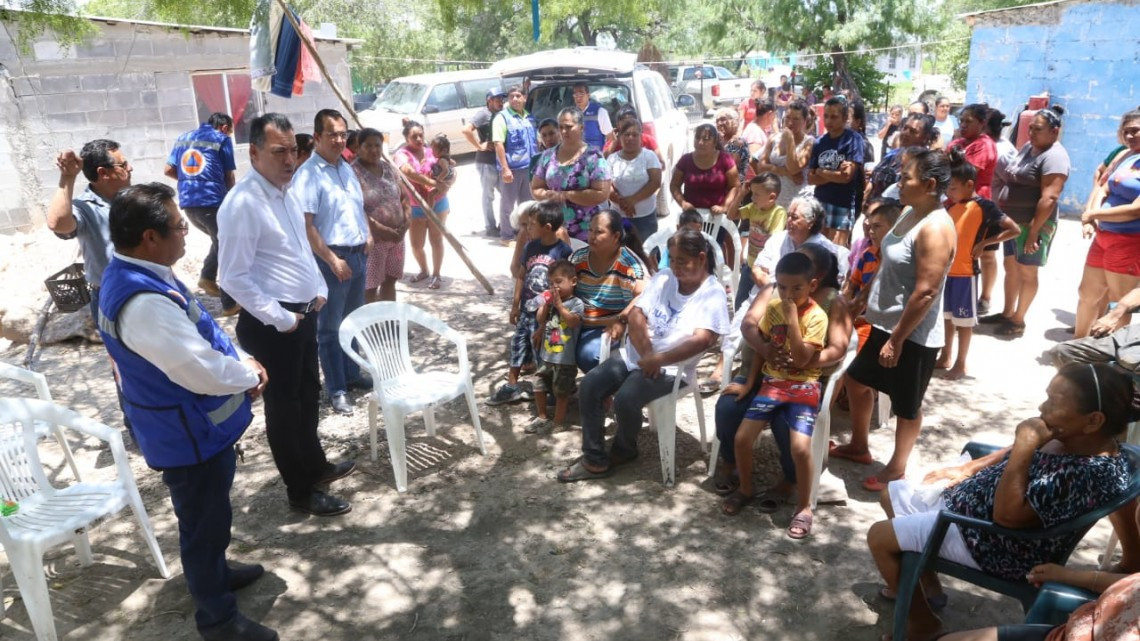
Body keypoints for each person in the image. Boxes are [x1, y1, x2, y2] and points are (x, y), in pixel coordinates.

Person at [98, 183, 275, 641]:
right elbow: (197, 370)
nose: (186, 234)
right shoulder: (143, 302)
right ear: (149, 237)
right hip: (185, 435)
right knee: (201, 522)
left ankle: (216, 570)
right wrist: (249, 374)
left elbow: (202, 326)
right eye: (179, 227)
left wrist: (237, 360)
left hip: (188, 428)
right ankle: (217, 618)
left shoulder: (146, 271)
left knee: (209, 515)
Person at [867, 363, 1137, 641]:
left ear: (1093, 421)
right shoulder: (1072, 436)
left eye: (1054, 402)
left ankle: (923, 625)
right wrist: (969, 468)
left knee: (880, 537)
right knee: (890, 495)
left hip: (995, 543)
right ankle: (927, 582)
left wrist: (1025, 444)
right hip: (970, 508)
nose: (1042, 408)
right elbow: (1014, 451)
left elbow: (1007, 517)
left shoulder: (1088, 474)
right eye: (1047, 396)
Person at [218, 113, 354, 518]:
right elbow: (233, 278)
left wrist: (319, 289)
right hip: (273, 326)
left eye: (293, 150)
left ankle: (315, 466)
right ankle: (300, 490)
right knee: (285, 409)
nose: (290, 159)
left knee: (308, 397)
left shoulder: (287, 191)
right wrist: (281, 318)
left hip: (303, 316)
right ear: (254, 152)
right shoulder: (242, 204)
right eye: (279, 152)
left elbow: (299, 250)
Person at [557, 228, 730, 481]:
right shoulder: (663, 278)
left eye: (682, 260)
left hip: (674, 368)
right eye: (672, 259)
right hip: (639, 355)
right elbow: (636, 314)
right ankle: (593, 458)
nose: (675, 266)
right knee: (590, 385)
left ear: (702, 258)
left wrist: (659, 360)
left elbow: (703, 339)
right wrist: (649, 354)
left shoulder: (712, 293)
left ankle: (625, 448)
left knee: (626, 398)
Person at [829, 149, 957, 492]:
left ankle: (897, 468)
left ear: (929, 185)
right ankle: (859, 445)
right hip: (884, 322)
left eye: (906, 178)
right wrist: (861, 299)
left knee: (907, 404)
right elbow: (886, 260)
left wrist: (896, 340)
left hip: (911, 334)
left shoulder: (936, 228)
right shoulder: (909, 213)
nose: (899, 183)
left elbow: (926, 292)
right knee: (856, 380)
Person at [713, 242, 852, 511]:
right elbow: (752, 326)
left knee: (784, 424)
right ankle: (732, 464)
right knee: (728, 406)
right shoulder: (776, 293)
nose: (788, 287)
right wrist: (763, 352)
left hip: (803, 381)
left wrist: (807, 361)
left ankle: (790, 481)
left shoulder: (829, 304)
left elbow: (838, 348)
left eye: (802, 263)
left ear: (815, 277)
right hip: (766, 375)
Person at [722, 252, 828, 539]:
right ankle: (746, 488)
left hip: (804, 386)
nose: (788, 294)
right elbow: (762, 349)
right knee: (742, 438)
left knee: (801, 449)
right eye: (782, 287)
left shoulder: (817, 316)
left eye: (797, 288)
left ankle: (804, 507)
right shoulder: (772, 309)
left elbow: (804, 358)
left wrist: (793, 320)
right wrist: (749, 384)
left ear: (812, 285)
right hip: (772, 384)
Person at [47, 139, 134, 435]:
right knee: (126, 365)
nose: (129, 167)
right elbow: (58, 222)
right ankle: (137, 426)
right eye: (123, 164)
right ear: (104, 172)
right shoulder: (85, 206)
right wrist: (67, 177)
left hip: (146, 290)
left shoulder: (131, 197)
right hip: (110, 298)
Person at [293, 109, 371, 416]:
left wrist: (367, 234)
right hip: (331, 258)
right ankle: (336, 388)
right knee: (330, 328)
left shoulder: (345, 167)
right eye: (332, 134)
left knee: (353, 321)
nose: (340, 140)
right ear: (317, 137)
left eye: (343, 134)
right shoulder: (309, 174)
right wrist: (332, 259)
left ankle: (352, 374)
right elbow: (306, 225)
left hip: (357, 253)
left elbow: (357, 206)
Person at [981, 105, 1070, 337]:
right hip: (1014, 223)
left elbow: (1049, 197)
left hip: (1034, 225)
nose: (1031, 133)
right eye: (1030, 128)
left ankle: (1019, 320)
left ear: (1054, 131)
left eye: (1038, 129)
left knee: (1027, 272)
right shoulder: (1030, 147)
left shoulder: (1055, 157)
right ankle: (1007, 312)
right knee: (1011, 267)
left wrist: (1034, 232)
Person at [936, 150, 1020, 380]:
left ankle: (961, 363)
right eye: (947, 188)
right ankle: (946, 356)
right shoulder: (949, 206)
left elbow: (1014, 229)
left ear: (969, 184)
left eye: (953, 188)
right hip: (946, 273)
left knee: (964, 322)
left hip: (965, 274)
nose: (948, 193)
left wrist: (986, 243)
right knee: (946, 317)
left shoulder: (984, 206)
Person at [489, 201, 573, 406]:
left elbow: (564, 286)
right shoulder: (530, 247)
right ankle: (511, 386)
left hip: (548, 313)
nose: (527, 229)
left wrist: (545, 309)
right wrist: (515, 305)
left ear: (547, 228)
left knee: (543, 350)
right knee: (518, 344)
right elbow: (520, 275)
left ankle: (549, 390)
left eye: (531, 225)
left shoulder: (563, 251)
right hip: (527, 309)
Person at [1074, 109, 1140, 339]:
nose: (1130, 136)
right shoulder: (1126, 156)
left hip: (1128, 243)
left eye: (1135, 131)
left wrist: (1095, 215)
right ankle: (1077, 346)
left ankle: (1117, 357)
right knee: (1087, 294)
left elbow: (1136, 209)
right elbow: (1102, 186)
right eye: (1126, 132)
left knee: (1119, 302)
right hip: (1102, 238)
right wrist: (1091, 215)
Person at [164, 113, 238, 312]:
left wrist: (190, 182)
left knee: (220, 240)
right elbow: (229, 176)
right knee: (227, 245)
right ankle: (230, 303)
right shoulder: (221, 139)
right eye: (230, 131)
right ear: (223, 128)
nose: (230, 134)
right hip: (212, 201)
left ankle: (207, 277)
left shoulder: (183, 138)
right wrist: (234, 203)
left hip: (189, 203)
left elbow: (168, 170)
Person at [570, 210, 650, 372]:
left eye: (598, 232)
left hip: (605, 325)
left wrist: (621, 320)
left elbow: (644, 295)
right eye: (590, 230)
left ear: (616, 236)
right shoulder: (578, 259)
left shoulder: (629, 264)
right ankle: (561, 391)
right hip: (575, 320)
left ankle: (603, 393)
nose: (591, 236)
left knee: (589, 355)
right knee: (549, 342)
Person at [531, 106, 614, 242]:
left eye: (569, 127)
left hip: (586, 232)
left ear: (581, 127)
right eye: (561, 127)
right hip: (554, 231)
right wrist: (548, 196)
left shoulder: (594, 156)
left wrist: (566, 195)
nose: (564, 131)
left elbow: (601, 193)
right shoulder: (547, 155)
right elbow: (535, 188)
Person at [671, 123, 742, 268]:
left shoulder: (725, 160)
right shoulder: (685, 160)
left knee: (713, 254)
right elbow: (674, 185)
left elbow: (735, 186)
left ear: (715, 142)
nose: (700, 142)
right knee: (690, 254)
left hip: (716, 217)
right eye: (697, 138)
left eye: (706, 139)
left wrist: (724, 207)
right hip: (691, 218)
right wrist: (682, 203)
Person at [527, 259, 584, 434]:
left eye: (558, 282)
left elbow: (573, 322)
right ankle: (542, 415)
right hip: (547, 355)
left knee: (561, 391)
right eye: (551, 283)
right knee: (538, 383)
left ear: (573, 281)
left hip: (564, 359)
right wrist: (545, 304)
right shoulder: (550, 302)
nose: (554, 286)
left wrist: (559, 306)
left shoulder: (576, 303)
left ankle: (558, 422)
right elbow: (539, 319)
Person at [352, 128, 408, 303]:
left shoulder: (388, 168)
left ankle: (390, 322)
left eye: (377, 145)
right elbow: (356, 209)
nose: (374, 150)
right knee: (370, 286)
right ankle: (372, 326)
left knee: (390, 280)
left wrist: (406, 223)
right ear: (358, 148)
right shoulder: (353, 172)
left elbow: (404, 196)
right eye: (368, 146)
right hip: (373, 242)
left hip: (397, 238)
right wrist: (382, 229)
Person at [394, 119, 451, 289]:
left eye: (421, 135)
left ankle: (436, 274)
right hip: (415, 206)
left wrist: (447, 184)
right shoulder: (401, 154)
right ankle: (424, 270)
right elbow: (408, 173)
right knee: (417, 244)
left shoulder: (432, 151)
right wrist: (434, 183)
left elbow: (449, 168)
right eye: (414, 136)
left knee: (436, 239)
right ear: (406, 138)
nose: (419, 139)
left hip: (439, 204)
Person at [808, 96, 865, 247]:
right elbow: (811, 178)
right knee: (816, 246)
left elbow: (846, 177)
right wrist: (833, 174)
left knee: (836, 250)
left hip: (842, 203)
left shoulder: (853, 139)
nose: (828, 121)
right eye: (826, 116)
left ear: (845, 118)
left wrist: (821, 172)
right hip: (820, 200)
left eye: (834, 117)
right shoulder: (819, 142)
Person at [755, 195, 850, 284]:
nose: (788, 221)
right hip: (765, 292)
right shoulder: (777, 238)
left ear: (811, 223)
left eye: (794, 217)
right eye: (788, 216)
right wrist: (771, 290)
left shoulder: (824, 249)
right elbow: (757, 268)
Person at [978, 108, 1016, 315]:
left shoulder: (1002, 151)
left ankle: (985, 297)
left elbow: (1011, 180)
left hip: (990, 209)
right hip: (975, 207)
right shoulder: (979, 145)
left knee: (986, 255)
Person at [493, 85, 539, 242]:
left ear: (525, 98)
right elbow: (498, 144)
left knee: (527, 205)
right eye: (512, 96)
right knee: (507, 205)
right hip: (511, 170)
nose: (515, 99)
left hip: (529, 168)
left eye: (518, 96)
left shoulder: (529, 117)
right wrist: (505, 169)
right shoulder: (502, 118)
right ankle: (506, 236)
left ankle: (525, 235)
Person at [735, 172, 787, 309]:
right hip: (750, 265)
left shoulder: (778, 213)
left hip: (764, 269)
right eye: (752, 194)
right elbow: (731, 215)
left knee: (759, 305)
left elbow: (774, 240)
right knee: (740, 303)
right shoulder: (752, 208)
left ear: (771, 197)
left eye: (756, 194)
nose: (752, 198)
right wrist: (741, 194)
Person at [607, 117, 663, 240]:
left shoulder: (649, 156)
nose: (630, 138)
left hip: (645, 217)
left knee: (647, 253)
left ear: (640, 137)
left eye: (634, 135)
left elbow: (655, 182)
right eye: (626, 134)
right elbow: (606, 186)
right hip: (618, 216)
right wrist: (623, 203)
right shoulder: (611, 159)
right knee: (621, 254)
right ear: (620, 137)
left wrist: (632, 200)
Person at [462, 87, 505, 237]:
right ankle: (490, 226)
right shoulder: (483, 114)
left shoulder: (502, 114)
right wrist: (479, 146)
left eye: (502, 98)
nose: (501, 101)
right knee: (488, 195)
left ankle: (504, 223)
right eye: (497, 99)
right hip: (486, 162)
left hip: (500, 161)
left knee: (506, 194)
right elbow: (466, 130)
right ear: (489, 100)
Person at [757, 100, 814, 210]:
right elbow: (760, 167)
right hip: (777, 200)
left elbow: (794, 169)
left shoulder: (809, 142)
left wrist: (790, 141)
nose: (790, 122)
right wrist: (782, 171)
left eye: (796, 119)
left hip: (799, 201)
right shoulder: (774, 138)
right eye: (788, 117)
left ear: (804, 121)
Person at [868, 114, 936, 203]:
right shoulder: (892, 154)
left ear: (925, 138)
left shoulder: (925, 163)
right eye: (905, 128)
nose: (906, 133)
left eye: (913, 131)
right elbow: (874, 180)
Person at [571, 82, 613, 151]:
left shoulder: (600, 112)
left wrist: (604, 157)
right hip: (577, 157)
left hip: (596, 157)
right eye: (576, 94)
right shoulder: (570, 114)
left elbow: (611, 139)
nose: (578, 97)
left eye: (581, 93)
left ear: (588, 95)